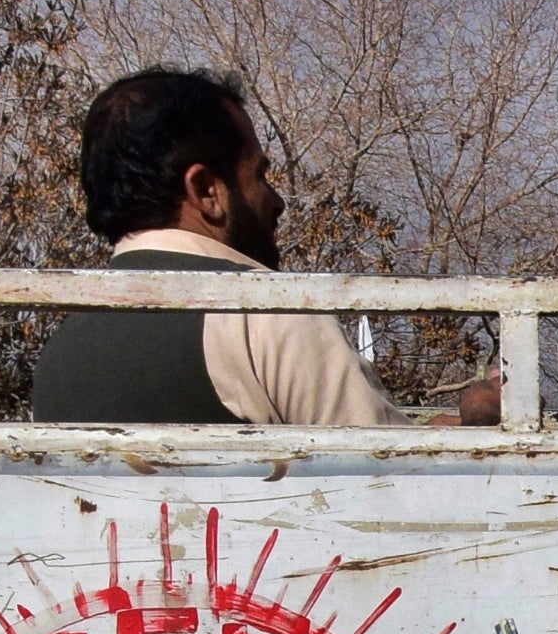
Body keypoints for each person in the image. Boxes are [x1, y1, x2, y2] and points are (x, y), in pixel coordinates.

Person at [32, 69, 405, 428]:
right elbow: (398, 479)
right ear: (208, 191)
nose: (277, 202)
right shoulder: (270, 316)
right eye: (259, 176)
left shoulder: (56, 356)